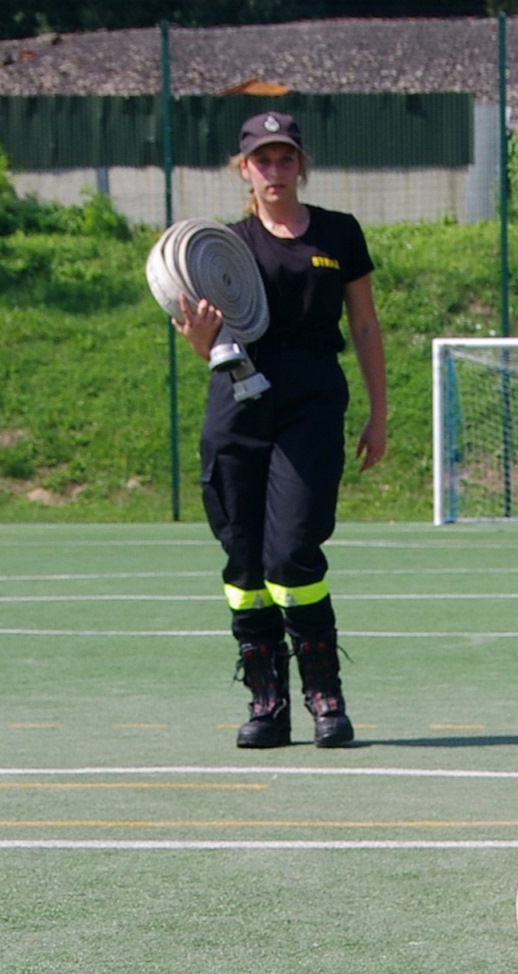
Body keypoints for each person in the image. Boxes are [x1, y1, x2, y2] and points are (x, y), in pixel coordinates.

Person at [175, 110, 387, 749]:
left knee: (292, 552)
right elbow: (207, 344)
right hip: (238, 407)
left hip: (311, 404)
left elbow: (365, 326)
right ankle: (267, 703)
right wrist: (199, 340)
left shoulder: (338, 232)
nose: (275, 170)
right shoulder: (223, 245)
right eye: (262, 160)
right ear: (244, 169)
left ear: (301, 164)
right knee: (243, 559)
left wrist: (379, 413)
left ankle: (326, 697)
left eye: (285, 158)